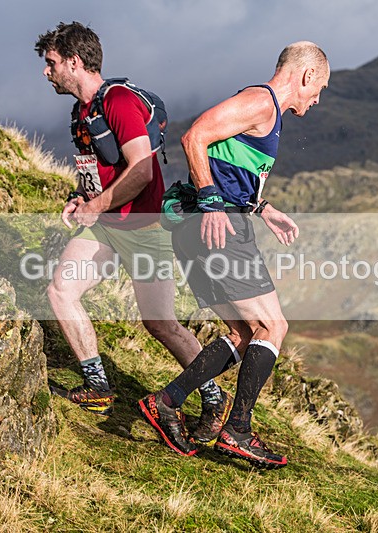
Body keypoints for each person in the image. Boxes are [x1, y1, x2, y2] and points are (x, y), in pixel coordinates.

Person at [137, 41, 330, 467]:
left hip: (207, 227)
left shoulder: (264, 111)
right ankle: (237, 429)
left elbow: (229, 168)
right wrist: (211, 201)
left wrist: (261, 207)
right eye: (319, 90)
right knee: (273, 325)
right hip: (216, 227)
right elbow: (196, 137)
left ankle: (166, 403)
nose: (316, 100)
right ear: (307, 75)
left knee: (246, 333)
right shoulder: (261, 102)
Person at [34, 22, 232, 437]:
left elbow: (142, 171)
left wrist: (98, 205)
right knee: (60, 291)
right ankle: (97, 385)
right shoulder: (83, 112)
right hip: (106, 227)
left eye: (51, 63)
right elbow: (103, 172)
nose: (46, 72)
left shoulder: (120, 101)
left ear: (74, 61)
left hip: (145, 227)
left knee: (159, 324)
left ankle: (213, 398)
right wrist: (82, 197)